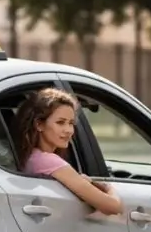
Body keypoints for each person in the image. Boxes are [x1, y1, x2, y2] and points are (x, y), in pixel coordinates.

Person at [13, 87, 123, 215]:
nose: (69, 130)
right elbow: (113, 207)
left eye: (71, 123)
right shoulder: (48, 161)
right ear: (39, 124)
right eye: (60, 123)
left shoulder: (30, 157)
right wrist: (105, 186)